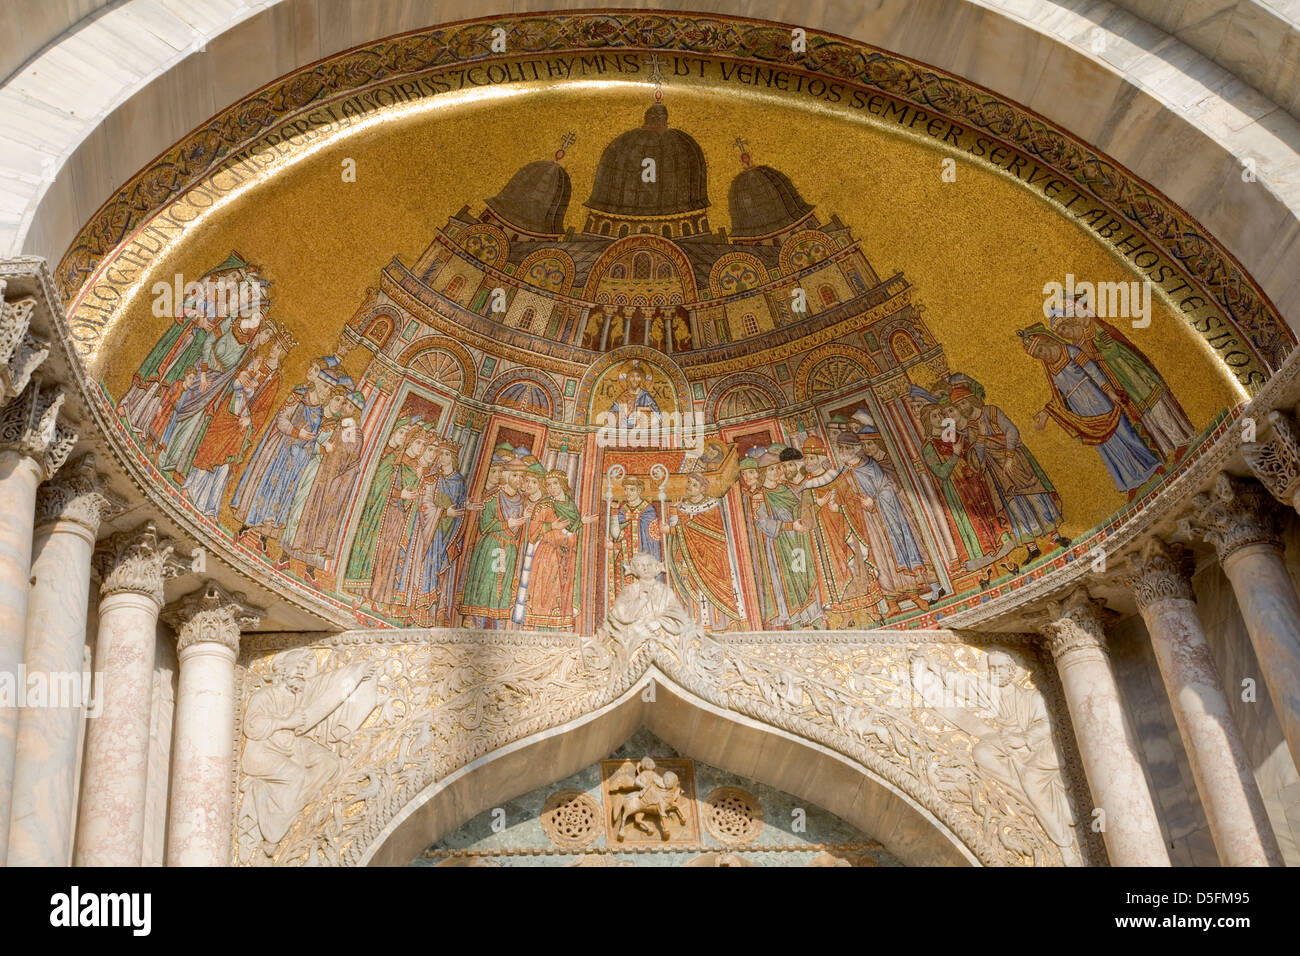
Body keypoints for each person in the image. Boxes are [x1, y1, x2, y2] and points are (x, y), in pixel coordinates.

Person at [1019, 323, 1160, 498]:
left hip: (1096, 395)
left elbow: (1094, 371)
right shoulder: (1049, 369)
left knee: (1122, 430)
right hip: (1080, 408)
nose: (1041, 356)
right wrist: (1045, 413)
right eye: (1036, 355)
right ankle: (1131, 483)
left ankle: (1152, 465)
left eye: (1040, 350)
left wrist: (1110, 392)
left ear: (1046, 341)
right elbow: (1059, 396)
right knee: (1105, 444)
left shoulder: (1069, 351)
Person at [663, 472, 745, 631]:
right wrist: (673, 511)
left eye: (694, 484)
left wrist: (675, 528)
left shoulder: (711, 505)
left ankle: (729, 622)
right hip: (692, 555)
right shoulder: (683, 506)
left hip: (713, 555)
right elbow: (677, 532)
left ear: (703, 488)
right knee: (698, 590)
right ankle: (705, 625)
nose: (689, 487)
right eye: (689, 482)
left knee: (719, 587)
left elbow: (713, 530)